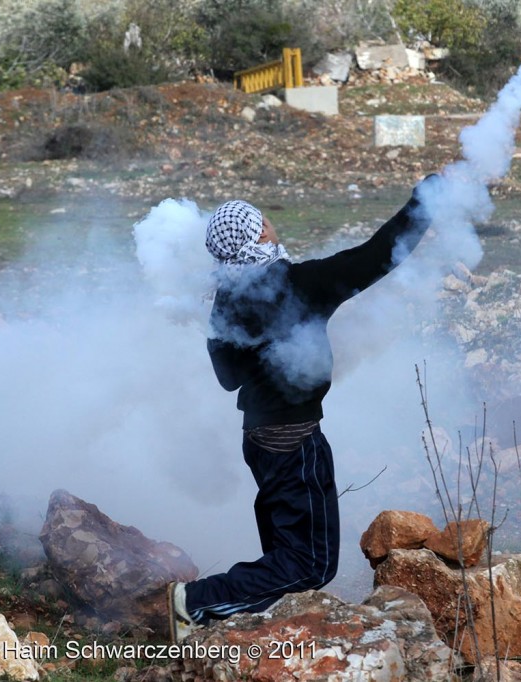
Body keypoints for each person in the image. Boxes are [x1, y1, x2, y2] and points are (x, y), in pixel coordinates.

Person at [166, 176, 436, 642]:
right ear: (260, 236)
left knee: (287, 555)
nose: (272, 225)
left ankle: (258, 631)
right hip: (293, 443)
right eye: (264, 221)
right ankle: (194, 602)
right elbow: (379, 255)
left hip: (261, 441)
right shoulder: (298, 284)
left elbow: (228, 377)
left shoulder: (227, 296)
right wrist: (426, 201)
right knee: (311, 563)